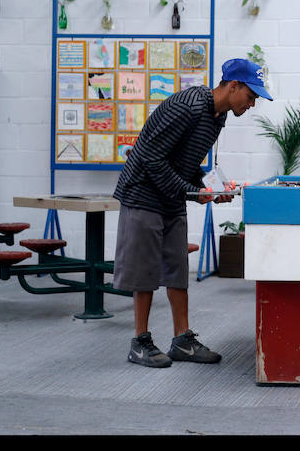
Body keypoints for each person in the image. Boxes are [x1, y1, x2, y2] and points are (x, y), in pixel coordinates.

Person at [112, 58, 273, 368]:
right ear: (233, 86)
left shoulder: (217, 117)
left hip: (170, 196)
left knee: (176, 267)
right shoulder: (187, 106)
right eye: (251, 97)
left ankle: (182, 340)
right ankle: (140, 342)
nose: (252, 104)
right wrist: (193, 192)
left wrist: (209, 187)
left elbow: (182, 162)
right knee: (145, 271)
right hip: (143, 193)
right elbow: (150, 158)